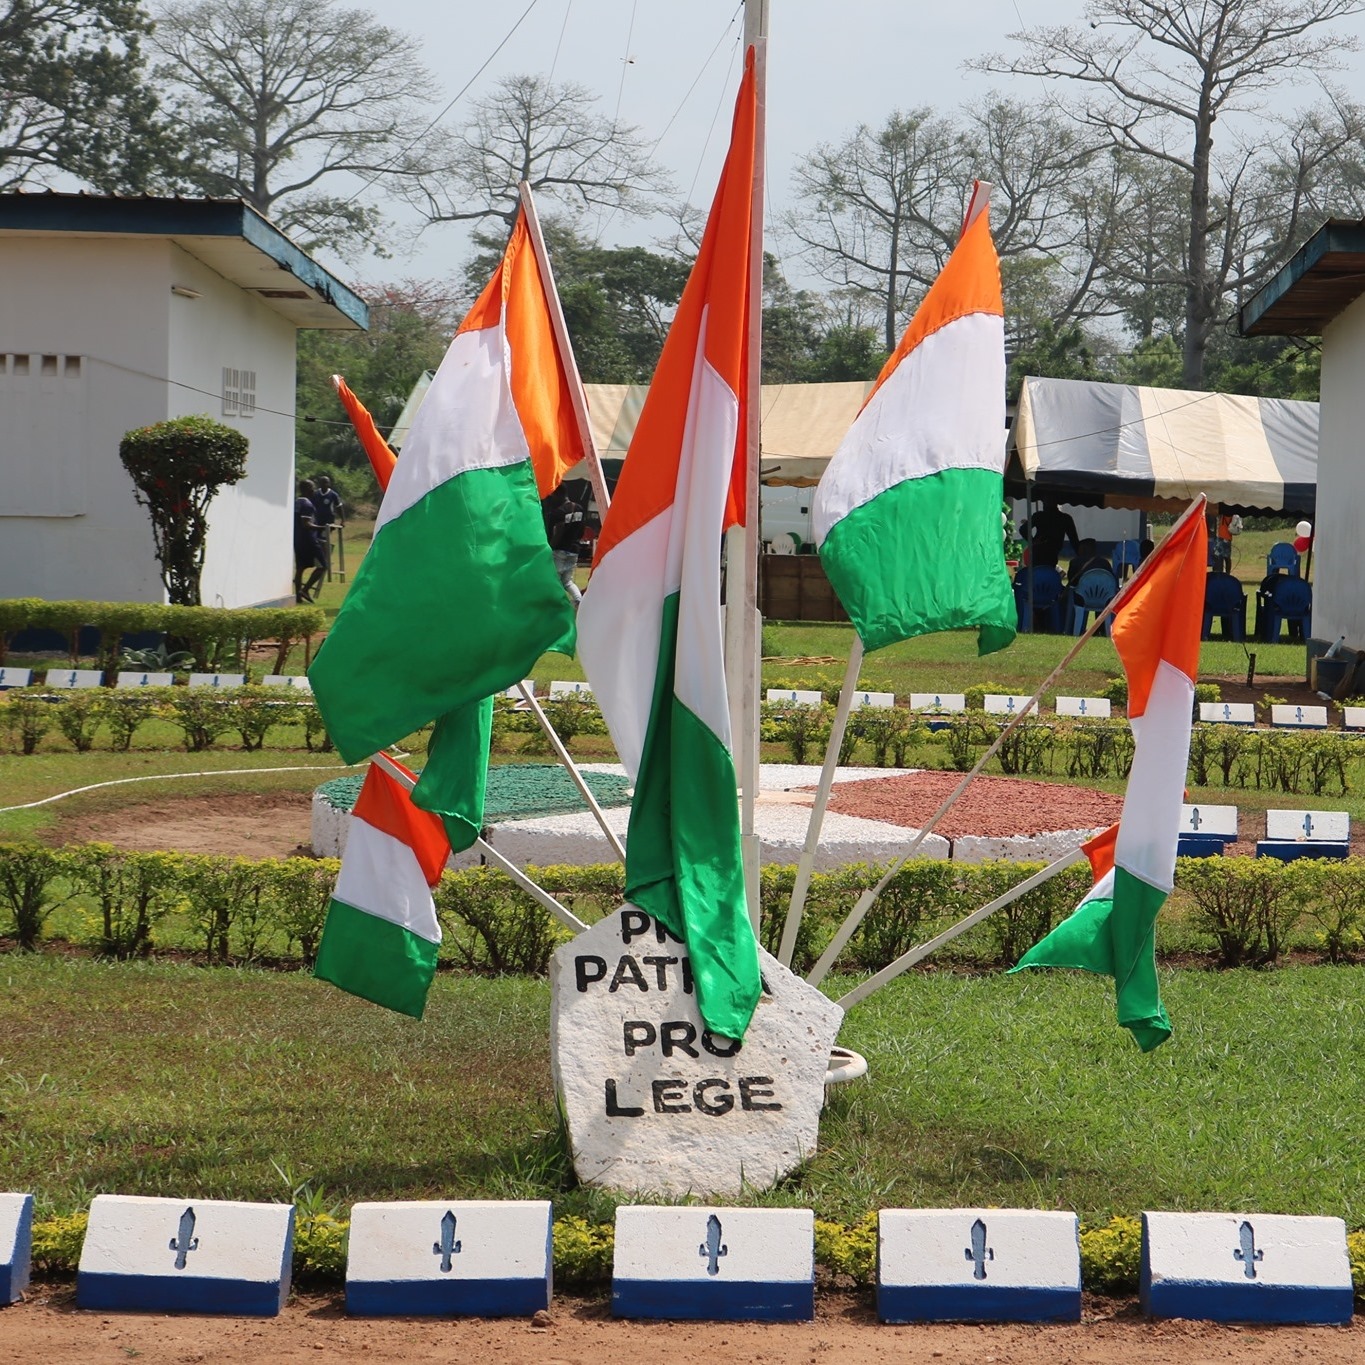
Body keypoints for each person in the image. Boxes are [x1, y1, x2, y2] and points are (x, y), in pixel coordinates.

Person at [543, 485, 584, 605]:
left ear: (558, 495)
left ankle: (556, 604)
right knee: (567, 581)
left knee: (554, 579)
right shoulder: (579, 508)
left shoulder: (559, 512)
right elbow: (582, 530)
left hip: (560, 550)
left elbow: (558, 533)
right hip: (574, 549)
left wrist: (549, 548)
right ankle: (578, 600)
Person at [293, 479, 326, 603]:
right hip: (309, 540)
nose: (314, 490)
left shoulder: (296, 502)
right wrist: (322, 527)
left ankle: (297, 597)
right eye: (312, 487)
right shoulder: (307, 504)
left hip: (297, 539)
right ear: (306, 489)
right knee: (323, 566)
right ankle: (305, 590)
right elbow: (306, 524)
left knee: (300, 568)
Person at [1027, 496, 1080, 568]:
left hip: (1041, 549)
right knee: (1048, 570)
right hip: (1051, 550)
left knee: (1037, 571)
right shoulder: (1065, 518)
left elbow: (1023, 529)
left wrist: (1033, 541)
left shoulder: (1039, 516)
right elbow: (1074, 540)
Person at [310, 474, 344, 576]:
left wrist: (343, 520)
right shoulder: (316, 494)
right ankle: (322, 560)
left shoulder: (333, 495)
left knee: (324, 539)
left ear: (329, 483)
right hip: (317, 522)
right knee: (317, 540)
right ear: (320, 484)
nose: (324, 484)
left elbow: (338, 507)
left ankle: (324, 561)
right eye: (322, 482)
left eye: (326, 482)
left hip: (328, 523)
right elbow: (311, 507)